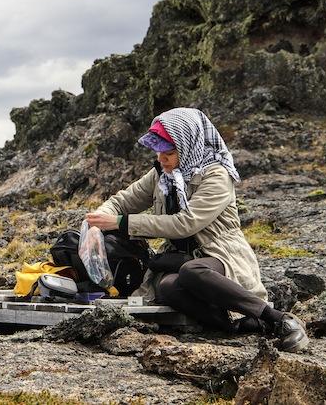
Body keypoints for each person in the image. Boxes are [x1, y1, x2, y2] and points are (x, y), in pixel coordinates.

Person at [85, 107, 309, 353]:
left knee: (191, 271)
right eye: (159, 152)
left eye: (169, 153)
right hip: (183, 260)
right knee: (167, 287)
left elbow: (186, 223)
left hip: (220, 255)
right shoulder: (161, 174)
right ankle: (235, 326)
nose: (161, 159)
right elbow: (122, 200)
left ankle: (277, 318)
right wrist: (96, 223)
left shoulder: (217, 175)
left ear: (188, 146)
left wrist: (122, 223)